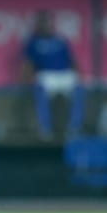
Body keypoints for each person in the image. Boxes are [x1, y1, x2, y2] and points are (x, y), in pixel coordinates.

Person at [20, 9, 85, 139]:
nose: (46, 25)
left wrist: (79, 75)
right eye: (43, 22)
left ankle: (74, 128)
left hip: (65, 75)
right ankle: (45, 129)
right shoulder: (33, 42)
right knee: (39, 90)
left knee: (79, 89)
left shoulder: (60, 40)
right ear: (38, 25)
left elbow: (71, 60)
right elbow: (28, 63)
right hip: (46, 76)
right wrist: (24, 79)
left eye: (48, 22)